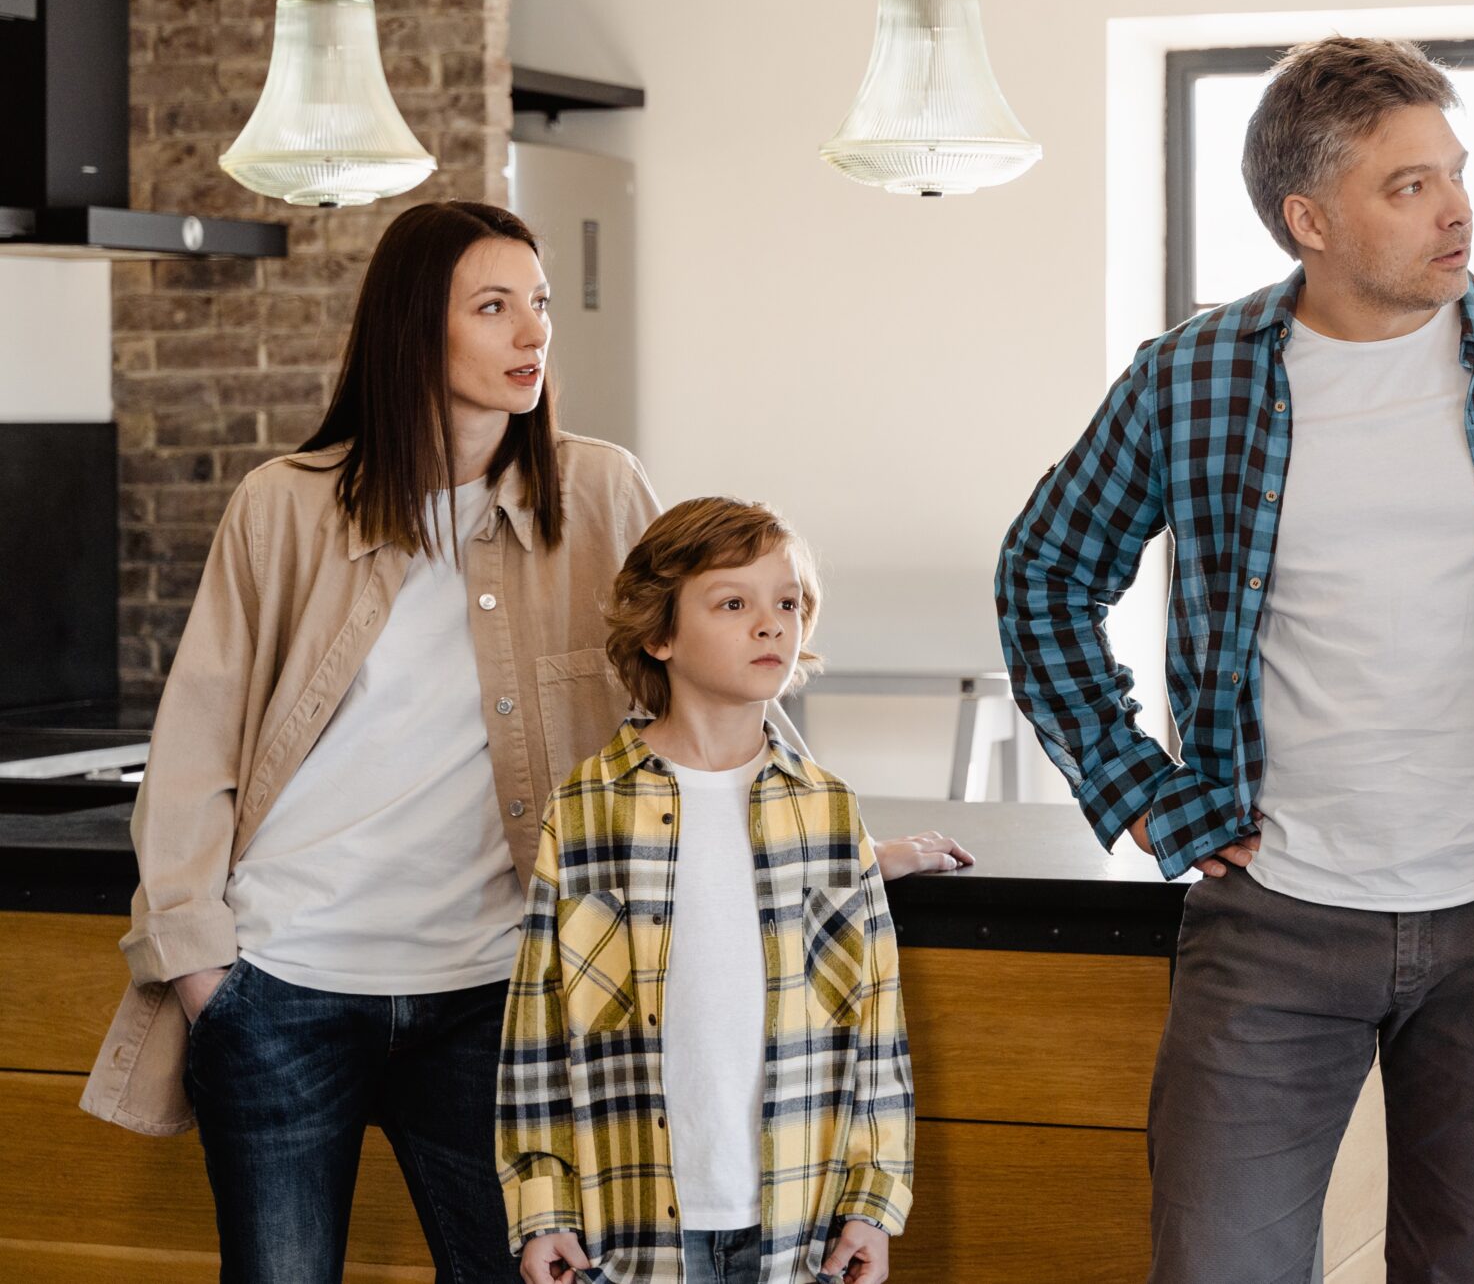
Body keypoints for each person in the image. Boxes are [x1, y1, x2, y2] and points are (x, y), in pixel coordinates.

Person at [997, 36, 1474, 1283]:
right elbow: (1046, 574)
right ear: (1309, 220)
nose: (1456, 208)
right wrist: (1139, 792)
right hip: (1273, 917)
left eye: (1453, 172)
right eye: (1408, 186)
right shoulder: (1193, 378)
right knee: (1215, 1263)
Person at [81, 200, 662, 1282]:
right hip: (286, 985)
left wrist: (830, 836)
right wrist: (207, 970)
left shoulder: (601, 494)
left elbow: (693, 692)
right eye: (494, 308)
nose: (532, 332)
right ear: (413, 329)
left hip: (498, 992)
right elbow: (196, 749)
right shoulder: (285, 508)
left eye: (537, 304)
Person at [500, 496, 925, 1284]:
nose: (772, 624)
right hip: (626, 1231)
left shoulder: (829, 810)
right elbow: (538, 1029)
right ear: (660, 634)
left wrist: (874, 1200)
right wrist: (541, 1205)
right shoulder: (587, 808)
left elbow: (876, 1026)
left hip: (797, 1228)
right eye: (734, 602)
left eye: (788, 602)